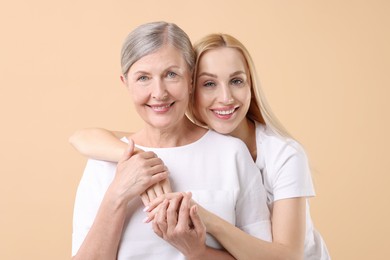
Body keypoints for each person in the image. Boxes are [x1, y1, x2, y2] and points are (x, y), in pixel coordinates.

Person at [70, 32, 331, 260]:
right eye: (209, 83)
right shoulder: (126, 154)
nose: (225, 98)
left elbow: (288, 257)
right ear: (193, 85)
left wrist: (202, 222)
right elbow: (84, 137)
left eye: (237, 81)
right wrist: (138, 158)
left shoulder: (280, 155)